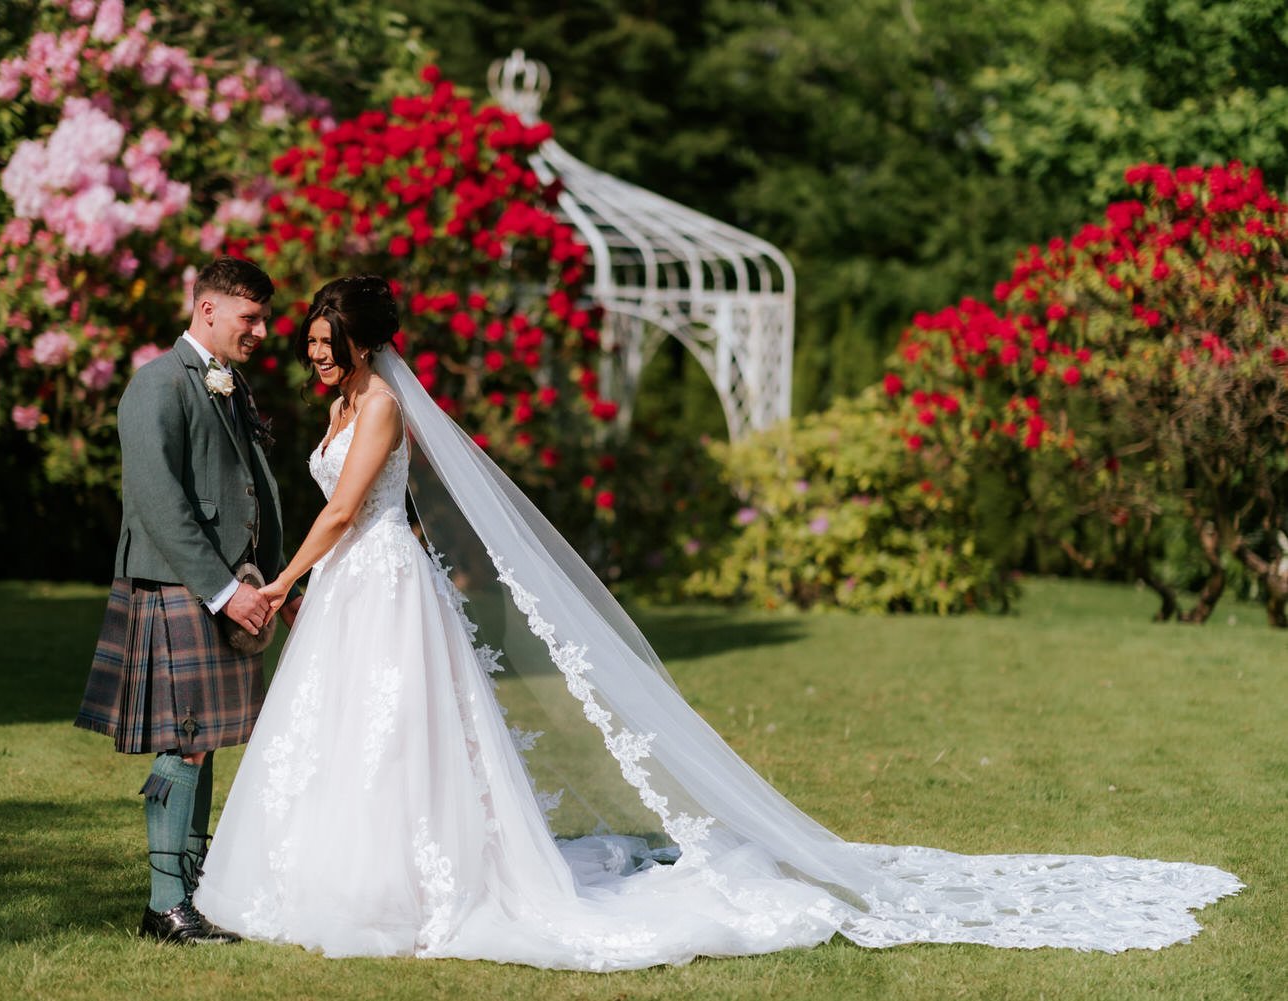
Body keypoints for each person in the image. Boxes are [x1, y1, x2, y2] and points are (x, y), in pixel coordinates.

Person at [192, 274, 1241, 970]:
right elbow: (379, 505)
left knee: (396, 733)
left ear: (368, 342)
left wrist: (280, 584)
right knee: (340, 737)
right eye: (315, 347)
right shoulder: (341, 403)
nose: (318, 359)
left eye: (331, 345)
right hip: (360, 586)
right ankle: (335, 869)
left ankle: (413, 880)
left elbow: (343, 507)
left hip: (368, 584)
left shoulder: (381, 405)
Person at [75, 256, 299, 945]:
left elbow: (250, 486)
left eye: (265, 317)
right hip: (182, 584)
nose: (261, 329)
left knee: (206, 740)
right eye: (249, 316)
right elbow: (160, 501)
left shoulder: (230, 386)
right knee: (185, 741)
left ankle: (192, 891)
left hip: (225, 584)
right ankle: (164, 906)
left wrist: (280, 579)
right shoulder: (157, 384)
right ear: (207, 309)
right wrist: (226, 589)